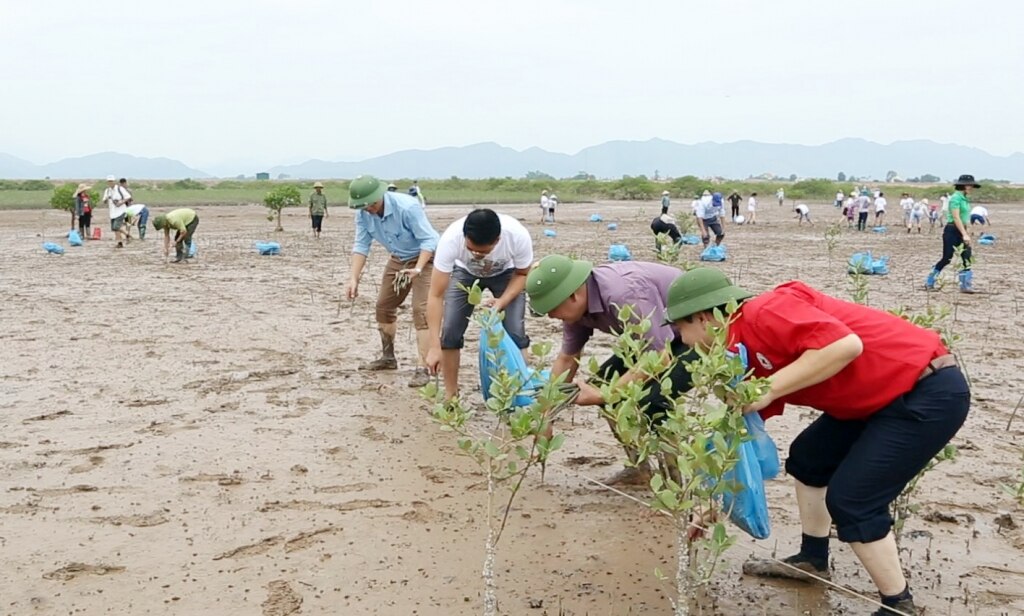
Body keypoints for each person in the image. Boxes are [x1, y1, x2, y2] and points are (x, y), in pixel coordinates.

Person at [664, 267, 969, 616]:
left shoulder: (763, 311)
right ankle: (812, 560)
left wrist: (766, 390)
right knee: (810, 458)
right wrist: (714, 500)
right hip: (875, 398)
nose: (684, 342)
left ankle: (898, 605)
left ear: (704, 318)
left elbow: (845, 345)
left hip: (925, 390)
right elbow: (742, 431)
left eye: (680, 329)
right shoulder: (739, 349)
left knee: (854, 500)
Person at [526, 254, 696, 484]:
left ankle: (673, 487)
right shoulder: (576, 309)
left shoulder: (624, 294)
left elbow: (659, 356)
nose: (551, 316)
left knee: (654, 402)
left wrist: (609, 393)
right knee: (601, 389)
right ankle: (640, 470)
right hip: (653, 340)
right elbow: (567, 358)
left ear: (573, 296)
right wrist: (546, 414)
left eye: (552, 309)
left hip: (698, 333)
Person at [425, 209, 533, 400]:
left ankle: (519, 394)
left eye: (483, 252)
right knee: (450, 331)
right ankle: (451, 394)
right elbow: (435, 295)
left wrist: (503, 301)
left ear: (498, 240)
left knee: (516, 333)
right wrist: (434, 346)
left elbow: (523, 273)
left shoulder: (517, 236)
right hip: (465, 273)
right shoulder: (450, 239)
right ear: (464, 236)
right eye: (471, 249)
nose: (476, 254)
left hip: (507, 274)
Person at [347, 175, 439, 387]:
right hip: (399, 257)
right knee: (383, 306)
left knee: (421, 310)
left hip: (427, 258)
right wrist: (353, 278)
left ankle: (423, 367)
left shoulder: (407, 207)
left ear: (380, 196)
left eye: (371, 204)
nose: (368, 209)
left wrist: (418, 268)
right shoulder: (363, 214)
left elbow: (429, 240)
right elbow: (361, 245)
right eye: (363, 206)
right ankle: (388, 358)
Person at [925, 175, 980, 293]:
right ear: (962, 185)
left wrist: (968, 232)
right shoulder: (955, 198)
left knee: (966, 257)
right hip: (952, 230)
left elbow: (965, 217)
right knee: (947, 258)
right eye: (968, 185)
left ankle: (965, 285)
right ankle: (930, 280)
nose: (971, 187)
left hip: (963, 229)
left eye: (971, 185)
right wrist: (964, 233)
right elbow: (956, 217)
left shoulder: (965, 199)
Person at [102, 175, 129, 248]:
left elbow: (128, 197)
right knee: (114, 228)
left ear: (114, 181)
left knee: (116, 227)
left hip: (121, 211)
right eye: (109, 181)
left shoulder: (120, 189)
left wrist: (120, 202)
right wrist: (106, 199)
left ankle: (123, 239)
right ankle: (123, 239)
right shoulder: (107, 191)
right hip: (112, 212)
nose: (110, 183)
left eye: (112, 181)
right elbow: (104, 201)